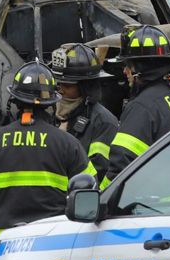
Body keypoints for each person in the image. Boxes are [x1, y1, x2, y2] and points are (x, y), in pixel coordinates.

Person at [0, 61, 94, 252]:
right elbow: (90, 189)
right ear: (51, 104)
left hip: (0, 244)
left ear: (14, 101)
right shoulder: (68, 144)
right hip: (52, 243)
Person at [103, 24, 170, 184]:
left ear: (140, 68)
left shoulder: (141, 107)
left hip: (152, 201)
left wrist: (101, 200)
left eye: (128, 65)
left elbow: (122, 162)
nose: (125, 71)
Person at [49, 43, 119, 176]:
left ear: (85, 87)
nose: (61, 90)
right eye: (59, 84)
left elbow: (98, 171)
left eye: (67, 86)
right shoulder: (52, 113)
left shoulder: (103, 123)